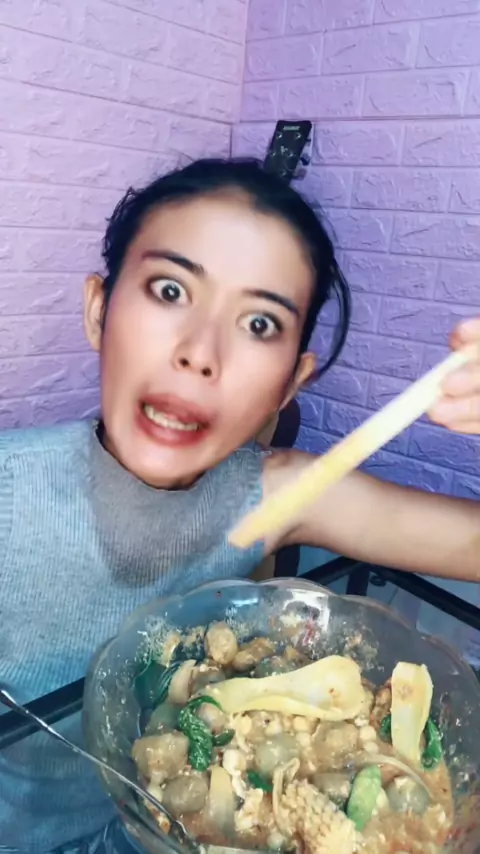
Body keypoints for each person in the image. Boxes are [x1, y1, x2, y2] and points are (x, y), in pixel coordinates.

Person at [0, 158, 479, 854]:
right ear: (99, 311)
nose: (201, 353)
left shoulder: (282, 493)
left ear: (291, 383)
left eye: (259, 323)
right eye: (170, 290)